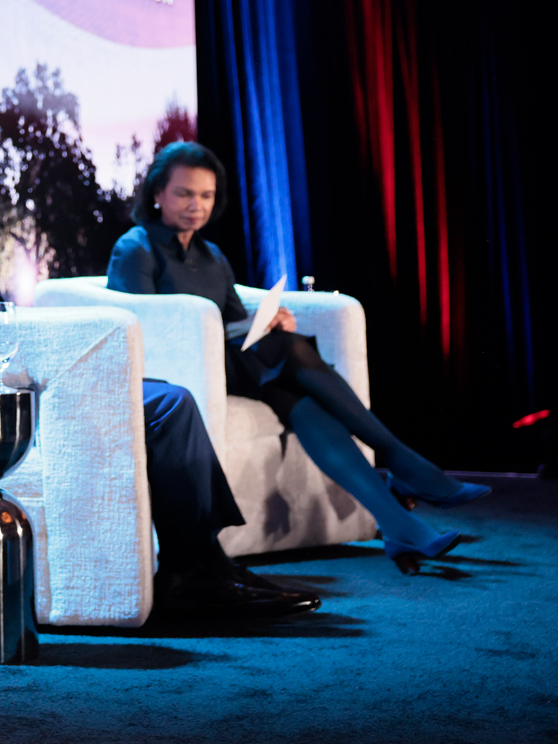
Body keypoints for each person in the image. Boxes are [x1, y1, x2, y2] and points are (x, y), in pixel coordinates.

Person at [0, 103, 320, 617]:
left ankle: (206, 566)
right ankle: (196, 573)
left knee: (164, 395)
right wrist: (60, 356)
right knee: (168, 404)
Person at [107, 142, 483, 575]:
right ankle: (400, 458)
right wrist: (254, 333)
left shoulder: (212, 256)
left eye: (206, 196)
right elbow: (142, 329)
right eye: (184, 194)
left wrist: (266, 321)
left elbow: (232, 321)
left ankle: (398, 524)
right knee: (291, 350)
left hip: (234, 365)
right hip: (182, 372)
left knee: (302, 402)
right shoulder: (135, 248)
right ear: (157, 194)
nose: (196, 205)